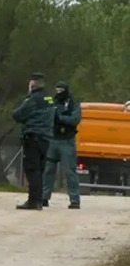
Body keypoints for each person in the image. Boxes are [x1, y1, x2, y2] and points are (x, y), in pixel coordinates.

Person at [11, 72, 55, 210]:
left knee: (32, 169)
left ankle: (33, 200)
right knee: (40, 170)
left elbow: (17, 115)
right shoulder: (49, 98)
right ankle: (39, 199)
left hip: (33, 137)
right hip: (46, 138)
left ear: (32, 84)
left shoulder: (33, 99)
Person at [43, 81, 82, 209]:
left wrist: (60, 118)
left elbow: (75, 119)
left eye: (61, 90)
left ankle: (74, 200)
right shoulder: (51, 103)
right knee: (48, 170)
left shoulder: (73, 104)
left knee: (70, 171)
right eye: (57, 90)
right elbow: (44, 117)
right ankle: (44, 197)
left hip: (67, 141)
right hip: (52, 139)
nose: (59, 92)